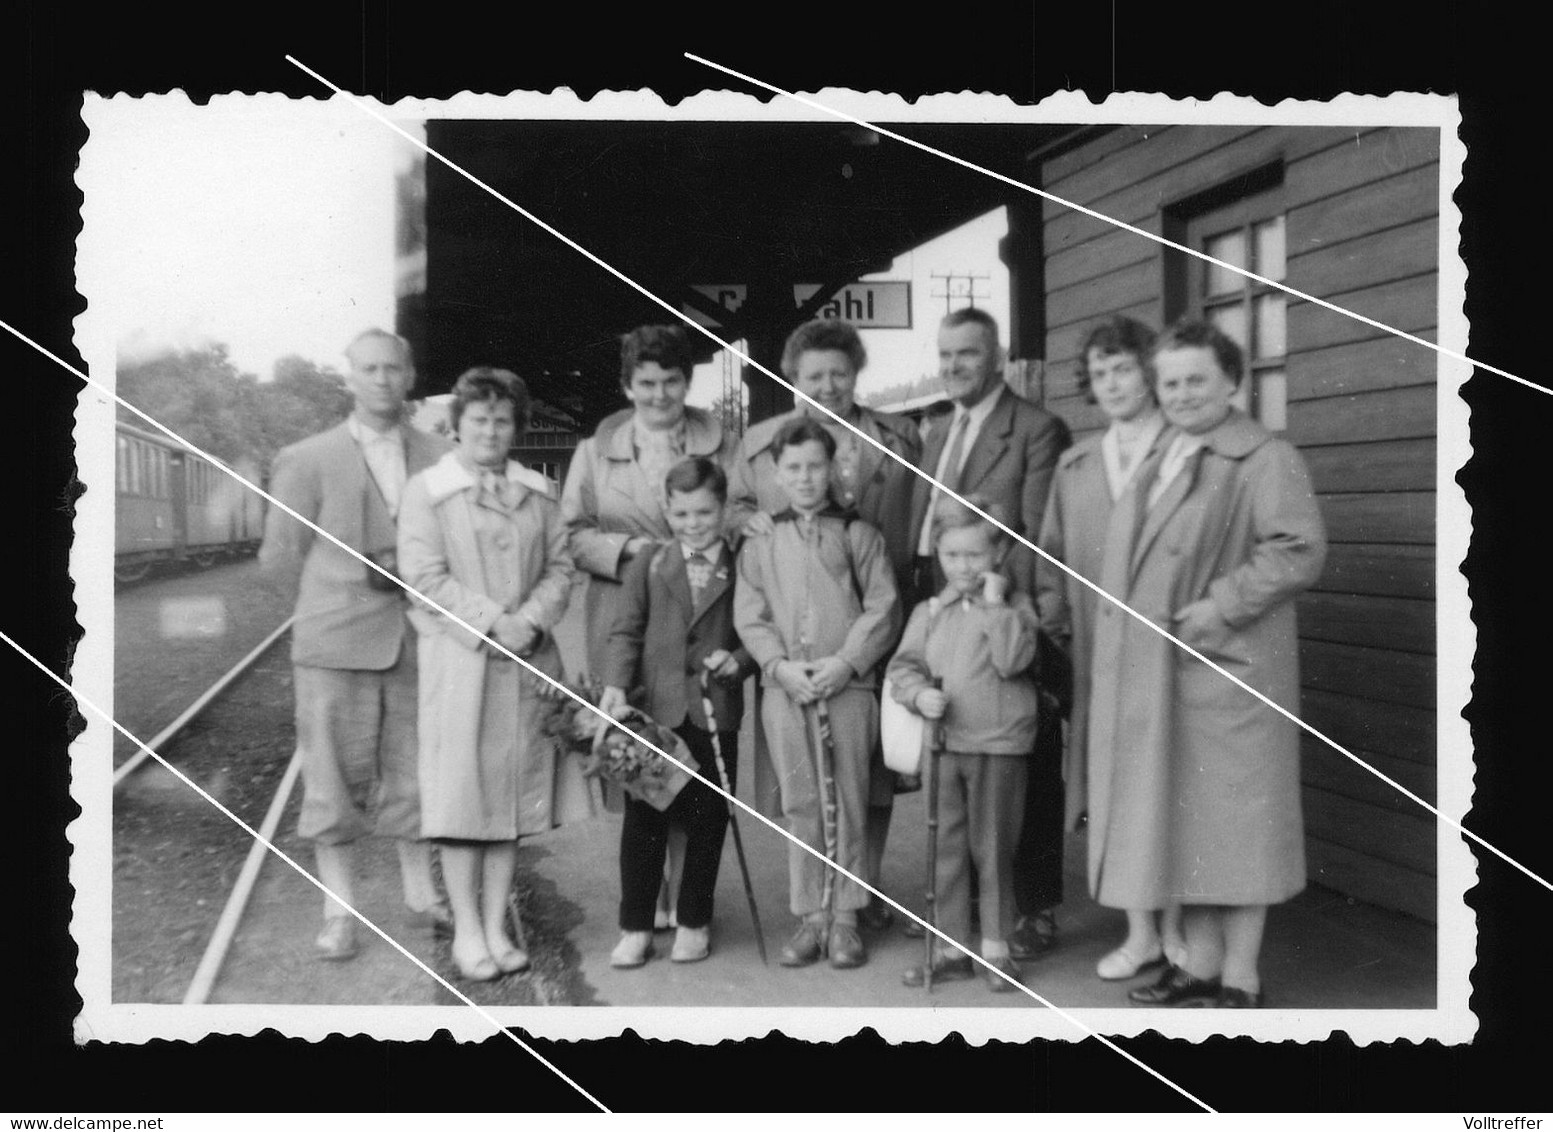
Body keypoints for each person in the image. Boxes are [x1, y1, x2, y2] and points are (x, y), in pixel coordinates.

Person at [1083, 321, 1327, 1008]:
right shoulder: (1164, 447)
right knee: (1181, 820)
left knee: (1237, 826)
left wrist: (1219, 606)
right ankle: (1198, 965)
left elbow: (1297, 548)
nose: (1182, 393)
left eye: (1196, 379)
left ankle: (1240, 978)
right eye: (1170, 381)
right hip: (1163, 674)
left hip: (1227, 670)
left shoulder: (1263, 456)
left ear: (1230, 381)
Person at [258, 328, 450, 962]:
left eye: (393, 368)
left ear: (411, 373)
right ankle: (337, 912)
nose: (382, 379)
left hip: (420, 644)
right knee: (332, 785)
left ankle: (422, 899)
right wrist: (326, 611)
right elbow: (280, 557)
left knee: (418, 776)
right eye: (369, 369)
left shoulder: (441, 455)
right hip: (332, 647)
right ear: (349, 378)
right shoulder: (306, 458)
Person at [727, 318, 922, 932]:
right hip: (792, 630)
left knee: (870, 777)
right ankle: (818, 907)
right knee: (807, 785)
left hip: (872, 625)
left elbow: (919, 513)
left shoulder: (897, 436)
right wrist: (746, 525)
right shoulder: (760, 444)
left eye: (840, 372)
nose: (829, 384)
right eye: (815, 375)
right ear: (792, 377)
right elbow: (733, 510)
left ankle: (857, 901)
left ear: (857, 373)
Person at [397, 367, 589, 982]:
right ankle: (468, 932)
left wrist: (528, 621)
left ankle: (498, 924)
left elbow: (562, 567)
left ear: (518, 427)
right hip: (461, 663)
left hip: (527, 661)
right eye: (478, 418)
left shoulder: (539, 493)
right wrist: (490, 621)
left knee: (511, 798)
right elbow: (422, 576)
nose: (490, 430)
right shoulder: (426, 492)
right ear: (456, 424)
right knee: (463, 800)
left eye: (502, 419)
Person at [903, 308, 1071, 962]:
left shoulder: (1034, 429)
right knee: (957, 772)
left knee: (1022, 769)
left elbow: (1036, 539)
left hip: (1004, 609)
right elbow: (920, 524)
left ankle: (1033, 908)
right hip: (942, 603)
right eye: (944, 356)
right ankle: (961, 909)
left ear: (995, 356)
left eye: (966, 355)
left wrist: (1005, 612)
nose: (952, 367)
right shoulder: (937, 430)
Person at [561, 324, 738, 928]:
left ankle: (687, 895)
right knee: (641, 754)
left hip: (695, 613)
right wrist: (633, 549)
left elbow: (738, 514)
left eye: (671, 382)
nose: (659, 395)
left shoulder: (720, 444)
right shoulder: (593, 452)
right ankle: (653, 891)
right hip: (625, 614)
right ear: (626, 386)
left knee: (694, 755)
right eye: (645, 383)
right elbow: (573, 534)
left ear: (688, 383)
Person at [1035, 316, 1185, 980]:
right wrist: (1058, 637)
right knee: (1116, 790)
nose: (1112, 382)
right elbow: (1049, 563)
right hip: (1098, 658)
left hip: (1169, 652)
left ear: (1149, 371)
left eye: (1122, 367)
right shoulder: (1075, 466)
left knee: (1175, 785)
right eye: (1099, 373)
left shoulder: (1186, 452)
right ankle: (1140, 931)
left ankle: (1180, 927)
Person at [734, 418, 901, 969]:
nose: (805, 478)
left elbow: (882, 607)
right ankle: (811, 916)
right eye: (793, 469)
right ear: (776, 475)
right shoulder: (760, 541)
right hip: (786, 690)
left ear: (833, 469)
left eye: (815, 466)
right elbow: (750, 614)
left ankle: (847, 917)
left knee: (849, 798)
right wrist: (777, 667)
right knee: (803, 801)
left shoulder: (859, 534)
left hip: (846, 686)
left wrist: (846, 661)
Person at [598, 456, 756, 967]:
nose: (693, 524)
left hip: (714, 708)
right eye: (683, 514)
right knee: (644, 819)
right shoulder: (649, 562)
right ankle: (636, 926)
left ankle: (694, 920)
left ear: (723, 509)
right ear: (668, 510)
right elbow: (625, 629)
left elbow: (758, 629)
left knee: (708, 820)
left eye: (705, 514)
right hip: (655, 710)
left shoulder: (743, 564)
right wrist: (618, 687)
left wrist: (738, 660)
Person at [888, 496, 1040, 993]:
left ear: (997, 554)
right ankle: (949, 949)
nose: (963, 567)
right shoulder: (931, 610)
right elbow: (903, 668)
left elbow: (1013, 659)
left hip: (998, 745)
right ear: (938, 555)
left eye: (975, 555)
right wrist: (919, 695)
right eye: (952, 555)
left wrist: (995, 605)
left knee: (992, 849)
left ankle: (997, 949)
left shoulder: (1015, 609)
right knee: (944, 848)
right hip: (943, 746)